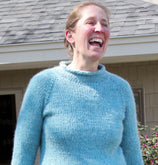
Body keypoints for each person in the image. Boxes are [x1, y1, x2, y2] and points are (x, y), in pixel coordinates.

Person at [11, 1, 144, 165]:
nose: (100, 29)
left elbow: (133, 155)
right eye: (91, 22)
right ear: (70, 35)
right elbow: (23, 154)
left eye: (105, 24)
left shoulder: (121, 89)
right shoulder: (44, 84)